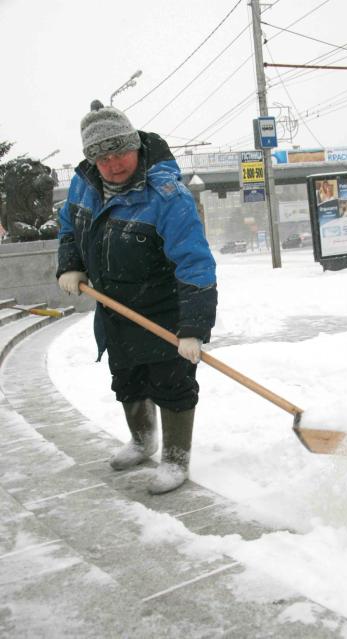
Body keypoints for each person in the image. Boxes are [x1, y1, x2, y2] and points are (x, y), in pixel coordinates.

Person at [57, 100, 217, 494]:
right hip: (113, 306)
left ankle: (176, 460)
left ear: (135, 144)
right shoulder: (84, 183)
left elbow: (195, 263)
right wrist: (70, 264)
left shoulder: (167, 195)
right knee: (127, 379)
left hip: (163, 309)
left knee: (172, 384)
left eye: (120, 151)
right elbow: (68, 225)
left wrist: (193, 328)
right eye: (102, 157)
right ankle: (143, 441)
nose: (113, 164)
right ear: (92, 160)